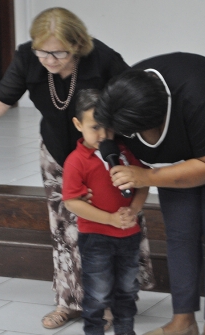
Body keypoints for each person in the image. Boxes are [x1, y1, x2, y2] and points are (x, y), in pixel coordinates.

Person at [0, 7, 154, 329]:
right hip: (57, 152)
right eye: (43, 52)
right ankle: (69, 301)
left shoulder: (102, 57)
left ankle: (110, 302)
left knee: (113, 223)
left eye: (58, 53)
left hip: (105, 153)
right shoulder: (27, 57)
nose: (49, 60)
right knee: (64, 228)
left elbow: (135, 99)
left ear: (77, 45)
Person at [95, 53, 205, 335]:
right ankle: (183, 321)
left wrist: (147, 176)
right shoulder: (122, 93)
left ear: (157, 120)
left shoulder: (202, 98)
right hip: (170, 164)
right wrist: (114, 157)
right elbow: (106, 130)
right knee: (179, 236)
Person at [62, 89, 149, 335]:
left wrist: (133, 209)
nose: (104, 135)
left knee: (127, 290)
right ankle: (94, 330)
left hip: (129, 236)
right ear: (78, 124)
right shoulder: (76, 161)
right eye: (95, 127)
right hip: (96, 238)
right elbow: (72, 201)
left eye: (109, 127)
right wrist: (110, 219)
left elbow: (142, 184)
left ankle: (125, 330)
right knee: (98, 293)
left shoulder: (125, 154)